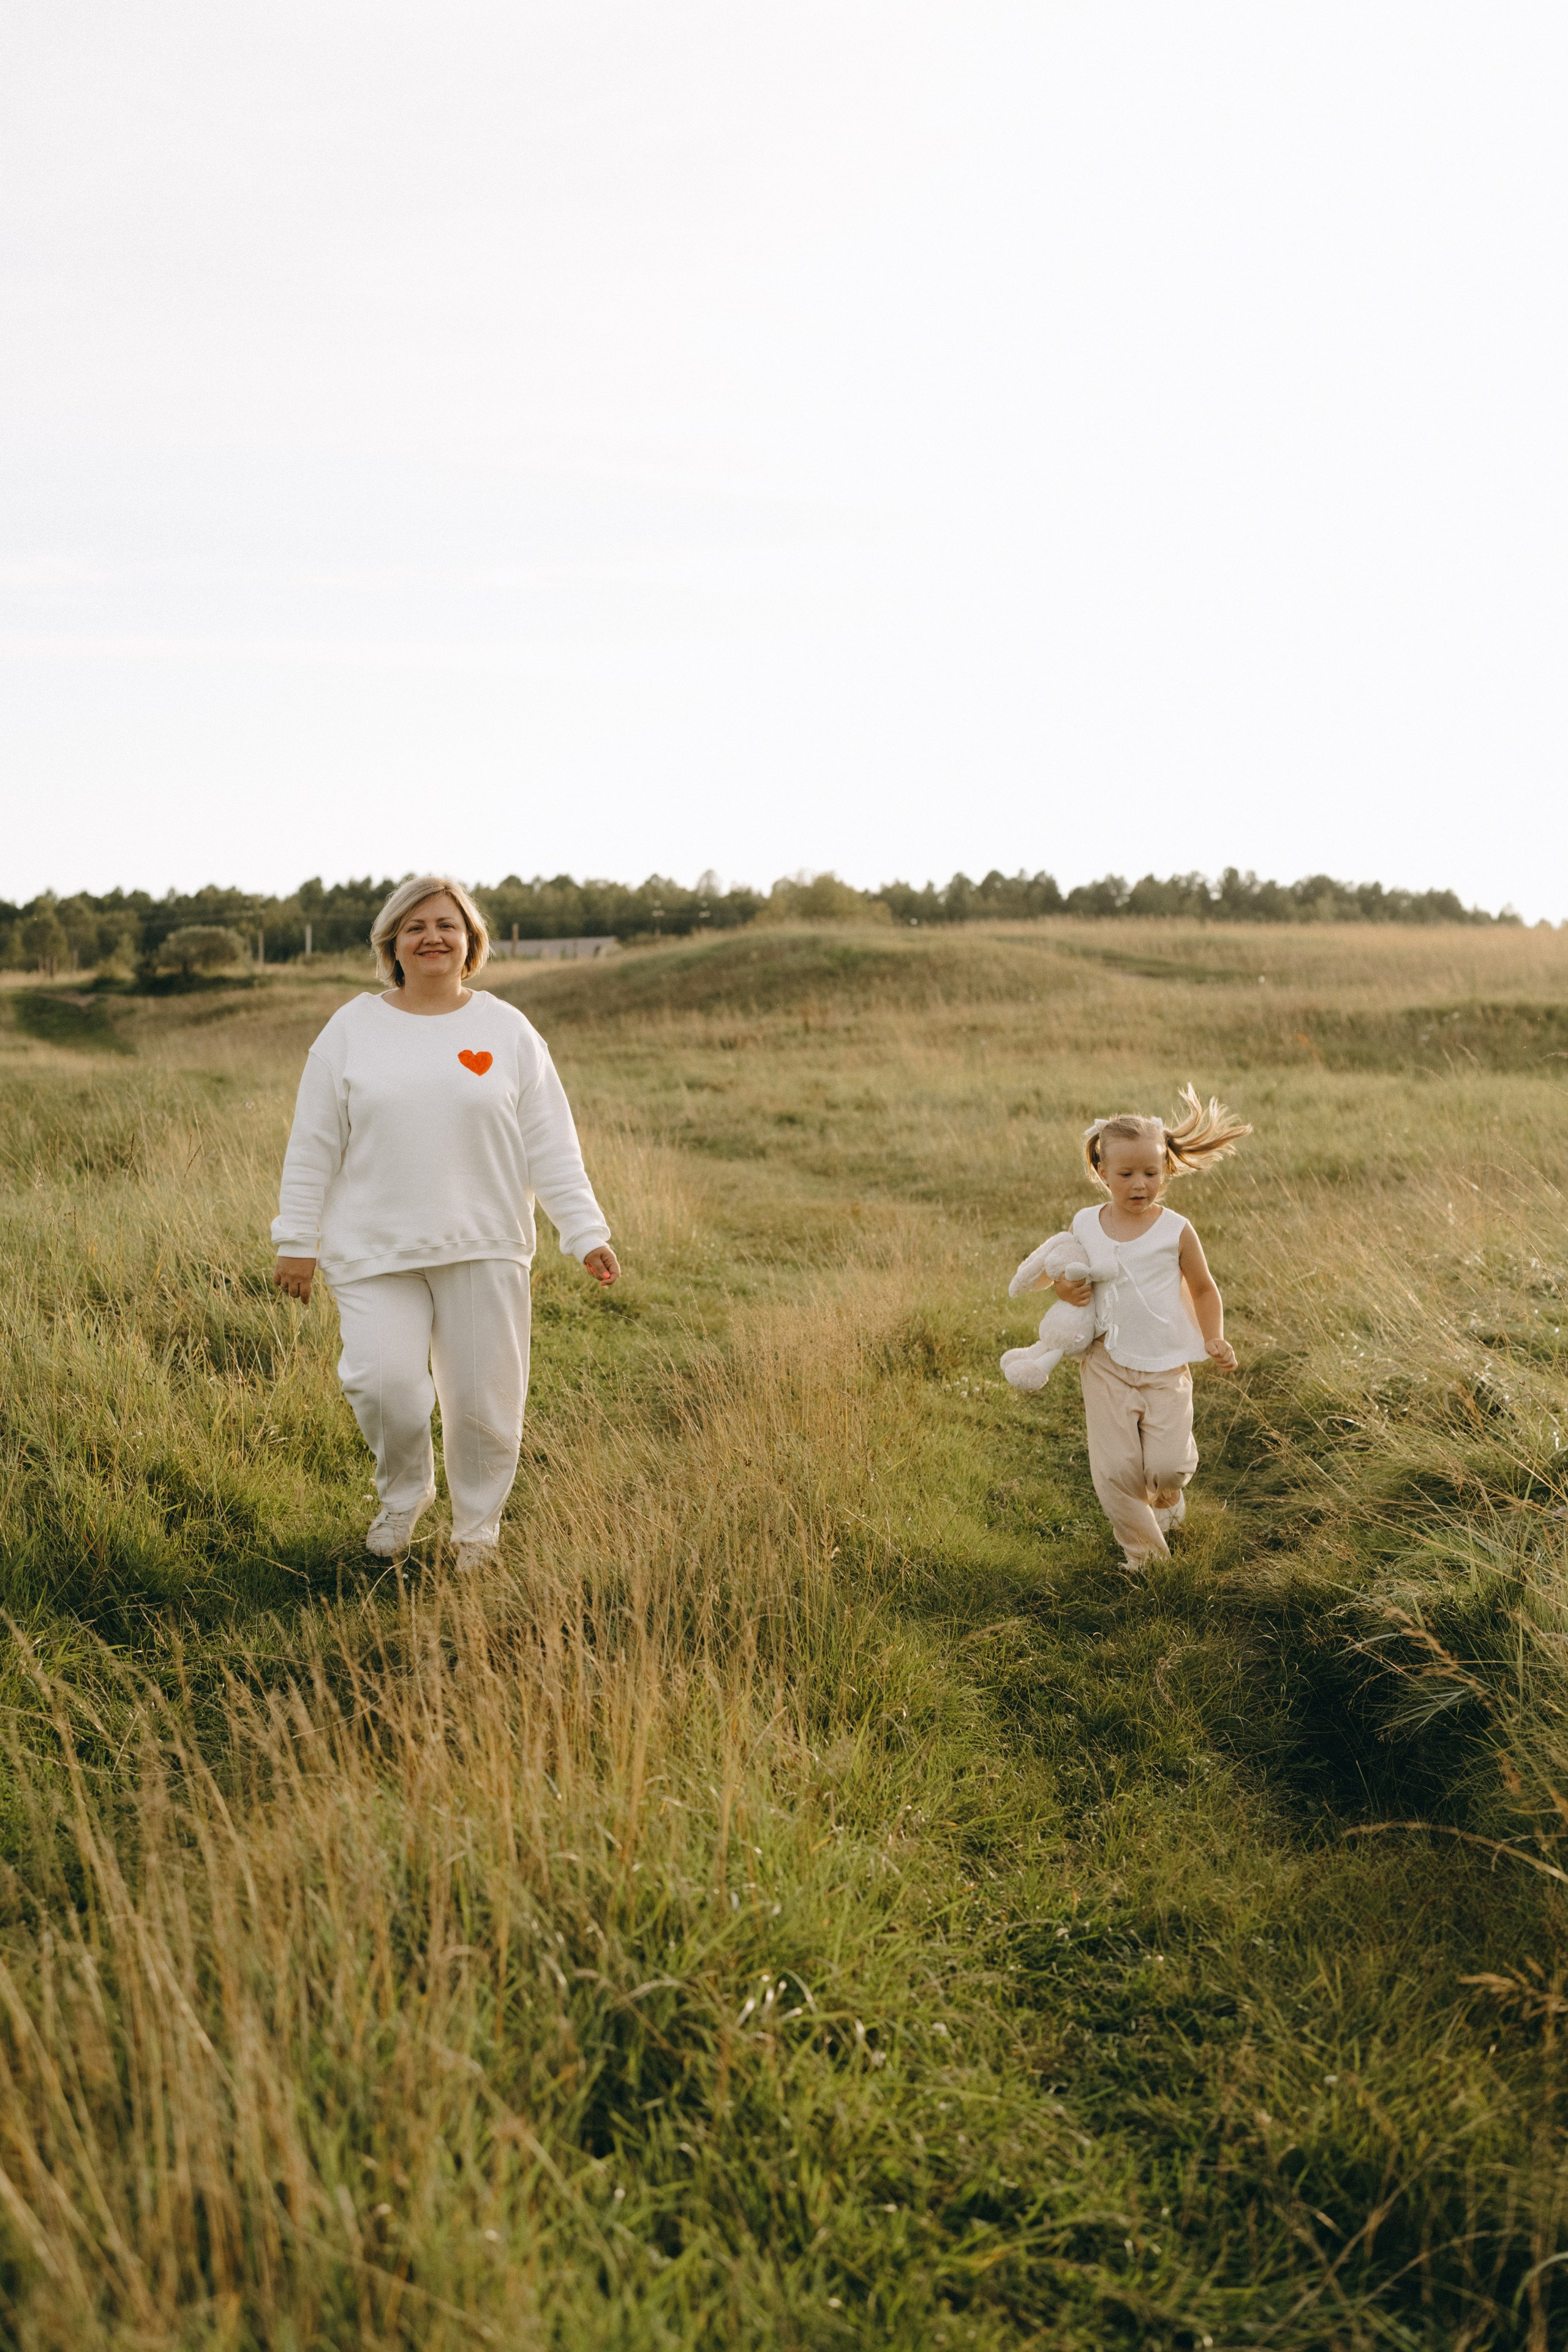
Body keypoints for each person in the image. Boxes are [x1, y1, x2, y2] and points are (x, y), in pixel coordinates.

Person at [270, 875, 619, 1570]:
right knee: (382, 1384)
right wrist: (295, 1240)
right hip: (373, 1247)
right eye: (415, 926)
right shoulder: (351, 1029)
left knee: (484, 1400)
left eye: (447, 925)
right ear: (392, 944)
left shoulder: (506, 1030)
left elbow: (551, 1142)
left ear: (471, 944)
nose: (432, 936)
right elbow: (313, 1143)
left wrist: (584, 1231)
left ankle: (476, 1531)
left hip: (483, 1241)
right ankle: (405, 1495)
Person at [1012, 1087, 1250, 1570]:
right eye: (1126, 1174)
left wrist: (1214, 1337)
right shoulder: (1086, 1224)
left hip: (1165, 1363)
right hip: (1105, 1362)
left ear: (1166, 1169)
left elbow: (1204, 1288)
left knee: (1168, 1467)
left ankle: (1168, 1500)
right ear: (1102, 1173)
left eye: (1151, 1173)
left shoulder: (1175, 1229)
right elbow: (1067, 1275)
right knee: (1118, 1470)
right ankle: (1147, 1561)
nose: (1140, 1185)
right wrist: (1063, 1292)